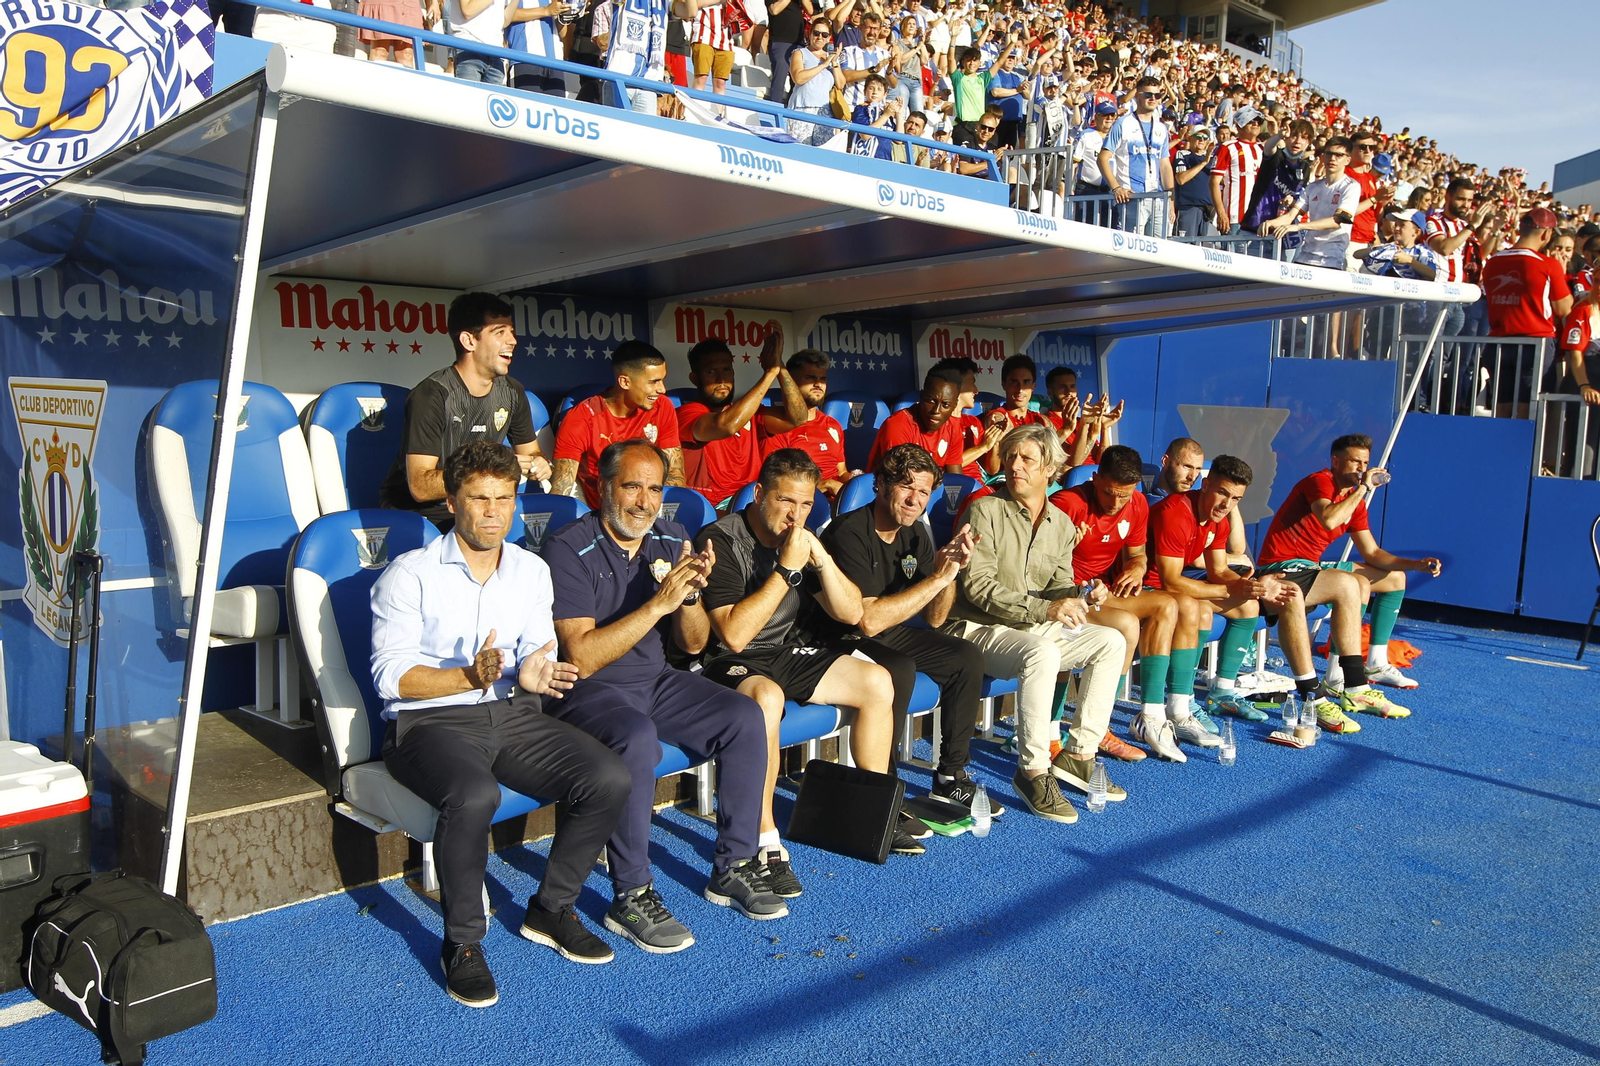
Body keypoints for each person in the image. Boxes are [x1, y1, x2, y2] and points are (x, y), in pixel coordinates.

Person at [371, 441, 630, 1006]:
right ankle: (462, 942)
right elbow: (390, 676)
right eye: (479, 498)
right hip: (428, 724)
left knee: (608, 776)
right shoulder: (408, 574)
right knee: (473, 793)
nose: (493, 512)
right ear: (452, 501)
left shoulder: (532, 570)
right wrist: (468, 676)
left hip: (511, 713)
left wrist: (537, 673)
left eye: (505, 499)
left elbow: (534, 650)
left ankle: (550, 908)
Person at [541, 440, 784, 951]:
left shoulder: (672, 537)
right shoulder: (567, 546)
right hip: (587, 690)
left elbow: (692, 643)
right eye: (632, 486)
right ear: (603, 488)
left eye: (655, 489)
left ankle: (734, 864)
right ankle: (630, 892)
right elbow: (580, 656)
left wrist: (691, 596)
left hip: (655, 681)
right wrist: (659, 604)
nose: (644, 502)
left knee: (744, 715)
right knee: (635, 736)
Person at [695, 449, 928, 861]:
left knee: (877, 681)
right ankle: (764, 838)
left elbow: (853, 612)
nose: (795, 515)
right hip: (727, 660)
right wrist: (785, 570)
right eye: (786, 501)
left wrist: (820, 558)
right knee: (767, 697)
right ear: (760, 493)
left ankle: (872, 815)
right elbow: (733, 634)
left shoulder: (801, 538)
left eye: (805, 504)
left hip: (785, 651)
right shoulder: (721, 538)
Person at [942, 424, 1126, 824]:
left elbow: (1056, 584)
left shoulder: (1060, 522)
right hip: (978, 629)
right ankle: (1032, 771)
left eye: (1026, 459)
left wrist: (1081, 592)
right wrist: (1046, 610)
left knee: (1110, 640)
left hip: (1028, 628)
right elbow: (977, 588)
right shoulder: (984, 509)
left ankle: (1079, 756)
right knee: (1042, 652)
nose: (1014, 465)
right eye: (1010, 457)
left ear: (1050, 469)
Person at [819, 443, 1001, 814]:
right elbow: (865, 620)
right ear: (880, 485)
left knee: (965, 656)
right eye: (906, 487)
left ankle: (951, 777)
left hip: (886, 632)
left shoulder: (916, 533)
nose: (914, 499)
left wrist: (948, 572)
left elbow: (934, 618)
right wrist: (935, 580)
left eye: (923, 491)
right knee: (897, 668)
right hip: (836, 637)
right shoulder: (849, 532)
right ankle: (884, 788)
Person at [1258, 434, 1441, 708]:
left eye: (1365, 462)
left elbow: (1373, 554)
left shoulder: (1354, 501)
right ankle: (1339, 676)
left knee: (1394, 579)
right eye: (1355, 461)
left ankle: (1375, 663)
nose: (1361, 468)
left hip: (1312, 567)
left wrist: (1417, 565)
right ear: (1335, 461)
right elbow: (1330, 518)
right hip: (1282, 567)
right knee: (1351, 583)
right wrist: (1363, 489)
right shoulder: (1320, 481)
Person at [1048, 446, 1187, 763]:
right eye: (1109, 493)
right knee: (1125, 626)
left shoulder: (1137, 503)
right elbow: (1040, 566)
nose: (1115, 503)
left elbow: (1137, 554)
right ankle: (1051, 733)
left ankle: (1148, 716)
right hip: (1064, 596)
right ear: (1095, 478)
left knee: (1167, 605)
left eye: (1123, 496)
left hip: (1103, 593)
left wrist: (1137, 568)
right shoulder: (1066, 504)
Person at [1141, 455, 1290, 750]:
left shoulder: (1217, 520)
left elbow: (1219, 571)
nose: (1226, 504)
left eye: (1236, 498)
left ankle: (1221, 693)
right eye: (1222, 493)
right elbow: (1170, 581)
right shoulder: (1174, 512)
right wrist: (1228, 592)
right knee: (1199, 610)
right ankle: (1178, 705)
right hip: (1148, 586)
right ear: (1205, 484)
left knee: (1248, 606)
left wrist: (1252, 586)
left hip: (1176, 586)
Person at [379, 292, 552, 530]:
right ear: (469, 341)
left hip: (480, 509)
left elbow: (533, 453)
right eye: (500, 332)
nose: (512, 340)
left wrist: (540, 463)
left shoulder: (513, 391)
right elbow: (420, 486)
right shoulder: (432, 395)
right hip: (424, 516)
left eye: (511, 331)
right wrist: (497, 467)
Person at [677, 332, 806, 508]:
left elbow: (798, 418)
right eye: (711, 371)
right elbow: (726, 425)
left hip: (752, 501)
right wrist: (770, 373)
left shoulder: (749, 412)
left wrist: (780, 367)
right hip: (711, 508)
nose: (721, 379)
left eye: (727, 370)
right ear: (695, 379)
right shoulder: (686, 413)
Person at [552, 341, 685, 507]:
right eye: (653, 382)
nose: (663, 389)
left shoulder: (662, 406)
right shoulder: (582, 417)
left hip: (648, 510)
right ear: (624, 382)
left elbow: (676, 475)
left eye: (662, 380)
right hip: (599, 514)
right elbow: (561, 489)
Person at [1482, 207, 1575, 416]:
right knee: (1530, 410)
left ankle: (1502, 448)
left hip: (1498, 343)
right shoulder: (1548, 265)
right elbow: (1564, 308)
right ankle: (1524, 449)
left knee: (1502, 407)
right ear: (1546, 234)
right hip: (1535, 343)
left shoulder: (1493, 261)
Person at [760, 349, 853, 497]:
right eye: (810, 378)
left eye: (823, 379)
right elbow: (778, 481)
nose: (818, 384)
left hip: (838, 501)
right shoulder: (779, 425)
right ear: (791, 383)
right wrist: (826, 484)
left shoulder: (833, 425)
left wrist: (853, 478)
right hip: (803, 503)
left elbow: (841, 472)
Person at [1261, 137, 1357, 270]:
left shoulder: (1351, 186)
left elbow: (1337, 220)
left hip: (1329, 260)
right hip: (1305, 256)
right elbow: (1290, 216)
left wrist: (1299, 226)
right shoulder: (1313, 187)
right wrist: (1271, 222)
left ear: (1348, 160)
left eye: (1339, 155)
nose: (1333, 158)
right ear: (1323, 156)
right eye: (1329, 153)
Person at [1100, 75, 1172, 237]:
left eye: (1157, 95)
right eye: (1148, 94)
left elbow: (1165, 165)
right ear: (1138, 95)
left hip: (1158, 198)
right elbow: (1103, 158)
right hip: (1132, 197)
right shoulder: (1123, 123)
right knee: (1132, 250)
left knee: (1160, 249)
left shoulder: (1161, 127)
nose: (1153, 98)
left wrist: (1170, 198)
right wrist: (1116, 188)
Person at [867, 367, 967, 473]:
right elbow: (899, 481)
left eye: (945, 405)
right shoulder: (898, 425)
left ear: (954, 405)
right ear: (921, 396)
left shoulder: (952, 428)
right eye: (931, 401)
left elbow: (955, 481)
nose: (936, 410)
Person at [786, 20, 845, 147]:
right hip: (801, 108)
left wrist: (834, 62)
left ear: (829, 38)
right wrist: (824, 65)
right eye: (816, 33)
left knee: (821, 155)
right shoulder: (799, 52)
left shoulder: (831, 58)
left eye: (824, 34)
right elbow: (798, 78)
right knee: (798, 151)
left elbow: (840, 84)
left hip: (824, 113)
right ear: (810, 33)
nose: (820, 37)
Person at [1209, 105, 1263, 235]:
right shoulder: (1228, 147)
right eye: (1251, 121)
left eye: (1258, 121)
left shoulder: (1263, 149)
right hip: (1235, 219)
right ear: (1239, 125)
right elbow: (1214, 182)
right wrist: (1221, 213)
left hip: (1259, 219)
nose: (1256, 124)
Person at [446, 0, 508, 83]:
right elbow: (468, 10)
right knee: (470, 95)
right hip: (469, 47)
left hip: (495, 53)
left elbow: (505, 20)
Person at [1172, 123, 1216, 238]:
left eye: (1205, 138)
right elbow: (1181, 179)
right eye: (1198, 137)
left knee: (1203, 249)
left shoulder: (1213, 159)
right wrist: (1203, 163)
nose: (1202, 140)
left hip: (1207, 212)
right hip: (1188, 208)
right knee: (1184, 248)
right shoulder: (1182, 154)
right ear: (1190, 138)